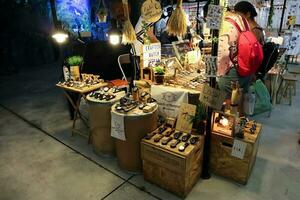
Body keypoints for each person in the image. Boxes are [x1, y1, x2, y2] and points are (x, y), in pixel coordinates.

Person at [217, 1, 261, 98]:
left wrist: (219, 73)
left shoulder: (226, 23)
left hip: (233, 69)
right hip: (245, 67)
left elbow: (223, 52)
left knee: (228, 100)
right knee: (239, 98)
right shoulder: (244, 22)